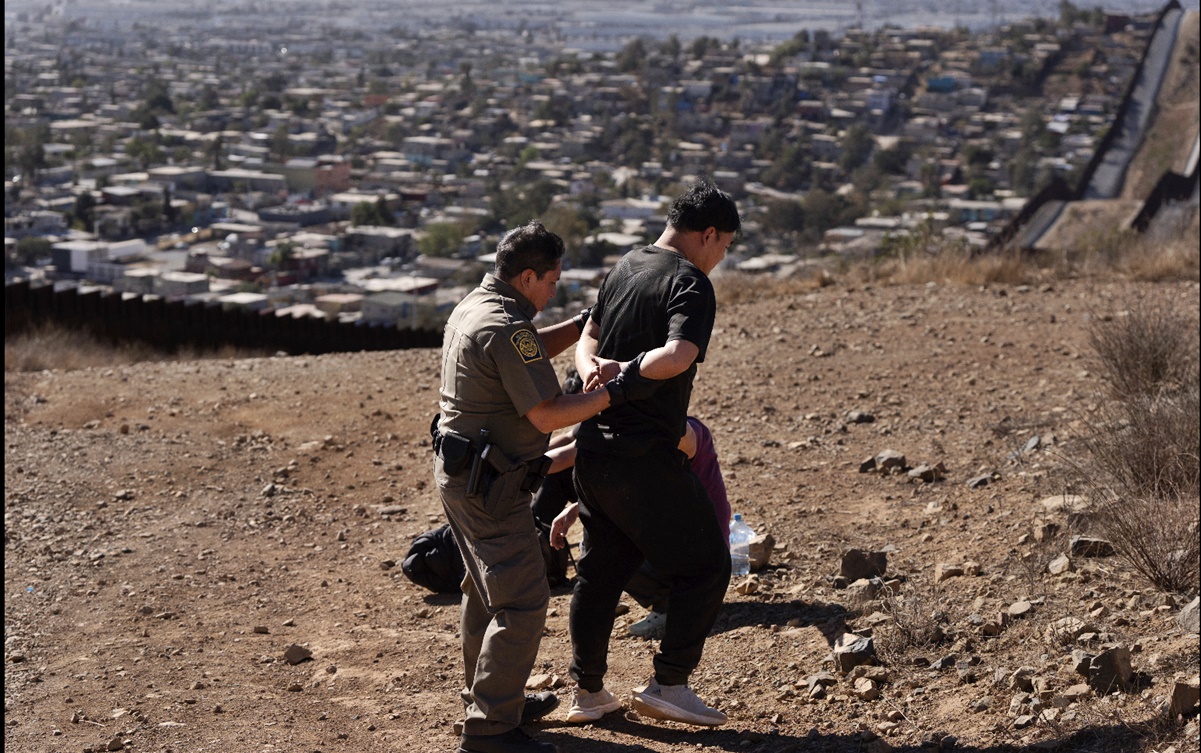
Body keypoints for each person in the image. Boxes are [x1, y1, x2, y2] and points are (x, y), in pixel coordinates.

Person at [434, 220, 654, 753]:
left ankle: (492, 697)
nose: (554, 289)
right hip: (493, 488)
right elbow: (547, 413)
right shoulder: (505, 328)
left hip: (467, 477)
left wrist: (584, 325)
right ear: (528, 275)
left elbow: (527, 349)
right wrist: (618, 392)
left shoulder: (479, 306)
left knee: (483, 592)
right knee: (524, 602)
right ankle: (491, 729)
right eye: (551, 281)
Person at [566, 179, 741, 728]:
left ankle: (588, 693)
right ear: (708, 234)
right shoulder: (690, 282)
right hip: (644, 455)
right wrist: (623, 382)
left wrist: (591, 375)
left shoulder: (627, 265)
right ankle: (669, 683)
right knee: (708, 565)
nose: (721, 257)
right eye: (725, 246)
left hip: (593, 451)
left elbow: (586, 337)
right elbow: (679, 354)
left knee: (600, 572)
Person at [548, 416, 730, 647]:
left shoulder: (677, 432)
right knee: (600, 522)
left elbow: (568, 456)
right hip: (695, 546)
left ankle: (671, 607)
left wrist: (511, 465)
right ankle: (612, 599)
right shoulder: (641, 426)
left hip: (701, 553)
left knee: (609, 538)